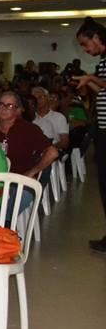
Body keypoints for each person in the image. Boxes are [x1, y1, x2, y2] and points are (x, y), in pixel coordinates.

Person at [0, 91, 58, 212]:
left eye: (9, 106)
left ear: (17, 110)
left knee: (23, 194)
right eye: (1, 104)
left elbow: (53, 152)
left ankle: (4, 220)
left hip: (20, 181)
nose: (4, 108)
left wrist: (32, 172)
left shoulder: (28, 129)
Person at [73, 17, 106, 253]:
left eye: (85, 44)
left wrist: (92, 78)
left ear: (96, 37)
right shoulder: (103, 61)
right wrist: (88, 82)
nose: (85, 49)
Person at [31, 87, 69, 152]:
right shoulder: (30, 118)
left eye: (40, 97)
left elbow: (64, 142)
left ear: (47, 98)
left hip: (53, 152)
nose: (37, 100)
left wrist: (49, 148)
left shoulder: (59, 117)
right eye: (35, 98)